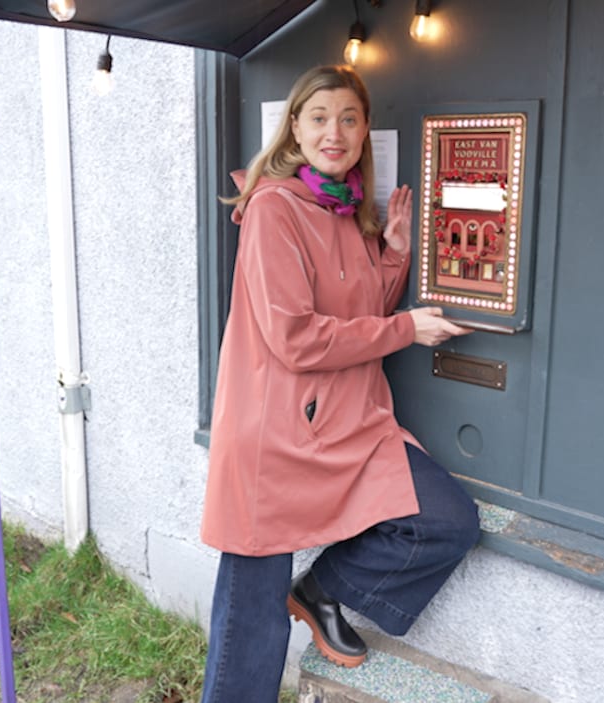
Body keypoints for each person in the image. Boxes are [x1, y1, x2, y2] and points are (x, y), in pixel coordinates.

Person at [198, 65, 481, 702]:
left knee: (447, 520)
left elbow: (360, 314)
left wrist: (395, 252)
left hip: (354, 421)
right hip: (276, 437)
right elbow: (296, 338)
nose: (335, 132)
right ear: (295, 128)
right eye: (320, 117)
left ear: (364, 132)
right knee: (251, 626)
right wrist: (407, 330)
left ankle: (321, 591)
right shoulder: (273, 208)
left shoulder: (349, 208)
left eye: (349, 119)